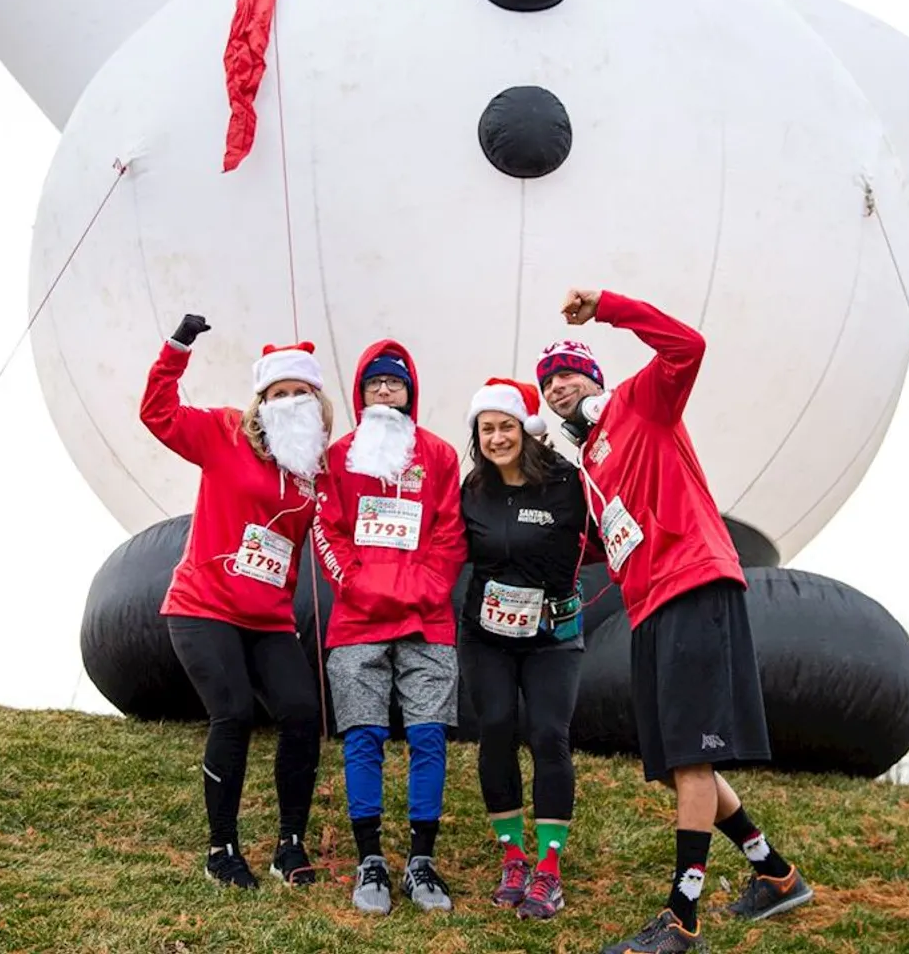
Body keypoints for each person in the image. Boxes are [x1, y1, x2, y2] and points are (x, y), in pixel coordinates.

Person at [538, 290, 815, 954]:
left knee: (691, 757)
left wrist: (606, 306)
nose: (558, 386)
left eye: (570, 373)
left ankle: (681, 915)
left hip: (694, 586)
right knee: (672, 765)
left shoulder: (642, 403)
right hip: (650, 610)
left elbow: (688, 345)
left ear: (596, 379)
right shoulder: (589, 468)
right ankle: (775, 874)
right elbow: (603, 545)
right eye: (548, 382)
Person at [141, 314, 331, 891]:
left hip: (268, 617)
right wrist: (177, 348)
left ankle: (289, 846)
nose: (291, 402)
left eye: (301, 393)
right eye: (279, 392)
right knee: (234, 714)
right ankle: (222, 849)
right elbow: (158, 414)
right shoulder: (224, 433)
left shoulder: (314, 470)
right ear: (262, 399)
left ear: (317, 402)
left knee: (301, 714)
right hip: (204, 607)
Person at [311, 341, 468, 916]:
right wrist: (361, 587)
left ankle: (422, 860)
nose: (384, 391)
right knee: (364, 738)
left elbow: (450, 535)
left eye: (394, 384)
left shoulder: (440, 455)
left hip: (427, 619)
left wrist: (422, 589)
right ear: (360, 392)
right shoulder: (338, 457)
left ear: (410, 392)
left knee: (428, 736)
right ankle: (370, 858)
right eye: (374, 383)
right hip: (357, 619)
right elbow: (327, 532)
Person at [457, 376, 596, 922]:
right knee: (495, 728)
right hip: (485, 635)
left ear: (524, 430)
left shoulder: (565, 482)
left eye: (505, 427)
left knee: (547, 734)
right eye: (486, 429)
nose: (496, 438)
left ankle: (549, 867)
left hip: (552, 638)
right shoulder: (473, 489)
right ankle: (513, 856)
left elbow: (603, 530)